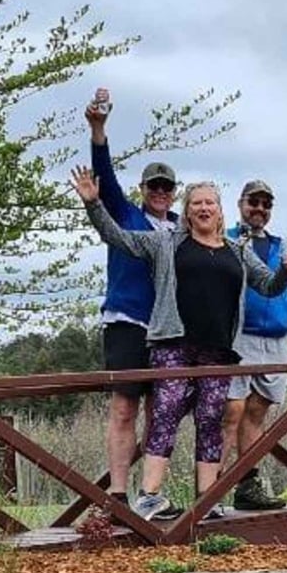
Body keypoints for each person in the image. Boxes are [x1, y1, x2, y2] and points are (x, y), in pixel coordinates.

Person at [70, 167, 287, 521]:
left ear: (221, 210)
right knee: (165, 414)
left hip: (219, 351)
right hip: (174, 344)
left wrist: (285, 270)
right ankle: (149, 496)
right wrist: (93, 205)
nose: (204, 208)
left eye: (210, 202)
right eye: (196, 203)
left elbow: (268, 286)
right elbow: (117, 237)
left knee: (210, 420)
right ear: (187, 210)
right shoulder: (165, 242)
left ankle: (206, 499)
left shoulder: (238, 251)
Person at [85, 88, 178, 515]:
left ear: (174, 193)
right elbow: (104, 181)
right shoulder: (127, 215)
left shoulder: (180, 229)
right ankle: (117, 495)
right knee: (124, 407)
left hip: (169, 330)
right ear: (143, 189)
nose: (160, 192)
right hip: (127, 320)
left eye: (166, 187)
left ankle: (150, 495)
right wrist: (98, 129)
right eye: (153, 186)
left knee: (162, 411)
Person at [222, 180, 287, 511]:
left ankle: (247, 485)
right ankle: (210, 488)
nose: (259, 209)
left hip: (275, 339)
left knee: (257, 412)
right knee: (232, 411)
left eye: (266, 204)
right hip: (239, 336)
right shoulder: (226, 238)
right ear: (241, 203)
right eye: (253, 202)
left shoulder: (280, 244)